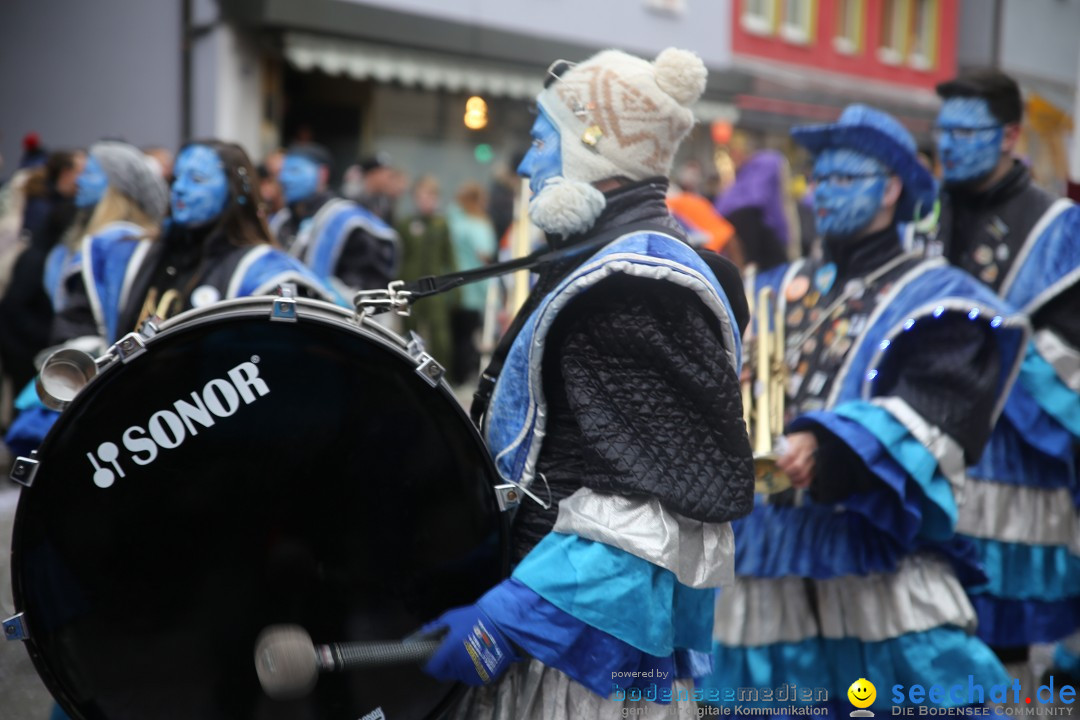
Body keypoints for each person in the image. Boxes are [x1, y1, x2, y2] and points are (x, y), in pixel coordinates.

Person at [418, 47, 755, 719]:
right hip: (555, 639)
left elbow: (653, 514)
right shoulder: (601, 265)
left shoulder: (634, 287)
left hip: (577, 667)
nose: (523, 165)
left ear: (595, 151)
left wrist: (508, 619)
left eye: (541, 142)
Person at [702, 105, 1029, 713]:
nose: (823, 192)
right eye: (817, 179)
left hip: (869, 545)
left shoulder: (938, 295)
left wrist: (825, 447)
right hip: (762, 555)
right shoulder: (772, 284)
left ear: (892, 188)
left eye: (843, 179)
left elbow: (938, 410)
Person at [927, 69, 1080, 682]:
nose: (949, 145)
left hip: (1010, 470)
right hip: (923, 459)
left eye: (966, 132)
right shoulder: (921, 212)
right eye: (942, 131)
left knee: (999, 648)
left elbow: (1069, 356)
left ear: (1010, 136)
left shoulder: (1057, 229)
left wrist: (991, 355)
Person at [270, 143, 400, 303]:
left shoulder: (350, 223)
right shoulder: (280, 221)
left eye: (294, 170)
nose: (284, 178)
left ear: (322, 175)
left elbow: (368, 293)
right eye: (282, 171)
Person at [396, 175, 457, 368]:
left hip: (435, 286)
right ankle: (407, 369)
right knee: (409, 331)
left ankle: (444, 376)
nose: (426, 201)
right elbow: (399, 256)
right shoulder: (406, 224)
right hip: (409, 285)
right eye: (422, 196)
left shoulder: (441, 224)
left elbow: (450, 257)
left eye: (430, 196)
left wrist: (455, 289)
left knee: (440, 336)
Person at [446, 181, 497, 385]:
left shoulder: (451, 222)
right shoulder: (478, 225)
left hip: (452, 289)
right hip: (474, 290)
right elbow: (484, 256)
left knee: (456, 337)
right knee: (472, 337)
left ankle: (455, 377)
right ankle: (467, 377)